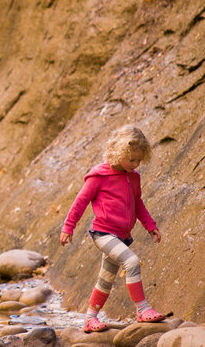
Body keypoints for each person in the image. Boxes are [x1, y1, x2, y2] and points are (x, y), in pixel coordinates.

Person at [60, 125, 165, 332]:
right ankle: (142, 309)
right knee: (132, 261)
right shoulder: (99, 176)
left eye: (138, 160)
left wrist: (150, 225)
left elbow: (138, 204)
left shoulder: (133, 177)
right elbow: (80, 202)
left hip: (122, 236)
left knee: (106, 279)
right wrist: (68, 227)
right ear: (118, 153)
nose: (135, 164)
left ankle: (90, 319)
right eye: (131, 159)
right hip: (103, 233)